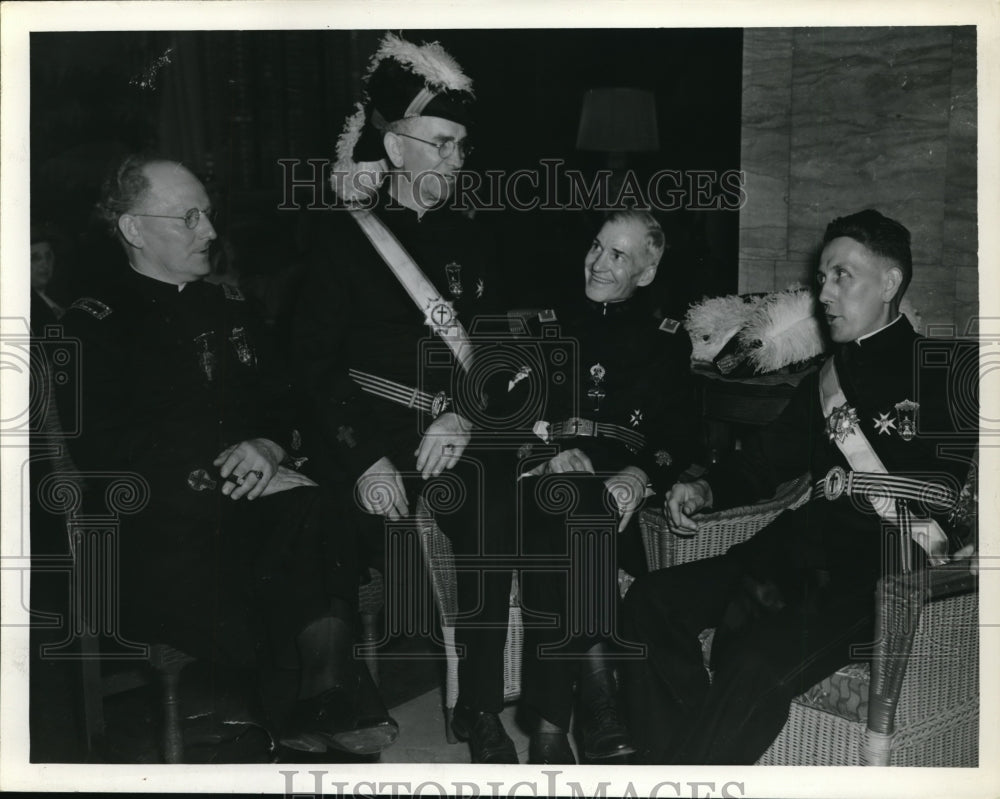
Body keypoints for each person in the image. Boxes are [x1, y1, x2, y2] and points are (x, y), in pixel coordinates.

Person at [56, 154, 397, 758]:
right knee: (309, 522)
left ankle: (316, 703)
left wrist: (267, 446)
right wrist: (226, 474)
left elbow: (288, 405)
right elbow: (107, 450)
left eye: (208, 214)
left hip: (260, 518)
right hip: (161, 535)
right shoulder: (94, 324)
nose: (210, 231)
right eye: (188, 218)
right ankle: (323, 702)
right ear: (134, 229)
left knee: (310, 511)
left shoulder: (232, 306)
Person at [623, 209, 977, 764]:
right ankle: (681, 766)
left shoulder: (946, 371)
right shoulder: (825, 379)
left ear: (889, 284)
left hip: (884, 573)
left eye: (843, 276)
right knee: (650, 601)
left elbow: (956, 494)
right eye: (822, 277)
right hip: (795, 552)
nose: (825, 293)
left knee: (755, 659)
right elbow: (761, 463)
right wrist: (707, 489)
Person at [292, 33, 521, 763]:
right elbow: (310, 368)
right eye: (442, 144)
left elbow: (498, 352)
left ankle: (479, 707)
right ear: (395, 148)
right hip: (369, 435)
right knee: (326, 532)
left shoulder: (476, 239)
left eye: (461, 146)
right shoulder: (339, 242)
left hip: (453, 434)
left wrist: (464, 414)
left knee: (494, 506)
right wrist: (364, 457)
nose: (457, 160)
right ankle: (336, 700)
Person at [513, 210, 699, 764]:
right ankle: (596, 701)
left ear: (647, 272)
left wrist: (641, 475)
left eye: (619, 255)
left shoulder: (666, 341)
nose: (598, 262)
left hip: (618, 497)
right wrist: (547, 454)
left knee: (579, 516)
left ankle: (549, 725)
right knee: (569, 507)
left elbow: (681, 434)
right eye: (597, 246)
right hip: (544, 481)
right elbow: (505, 414)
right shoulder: (546, 328)